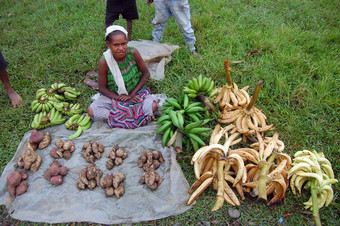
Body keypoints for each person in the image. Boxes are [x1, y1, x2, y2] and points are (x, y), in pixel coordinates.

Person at [87, 25, 151, 125]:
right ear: (108, 44)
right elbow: (102, 88)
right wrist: (119, 98)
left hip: (136, 93)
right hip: (115, 97)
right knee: (92, 110)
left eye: (123, 44)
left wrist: (131, 95)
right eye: (116, 45)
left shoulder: (133, 52)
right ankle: (133, 117)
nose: (121, 48)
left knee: (152, 106)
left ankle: (120, 118)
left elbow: (146, 74)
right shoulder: (104, 61)